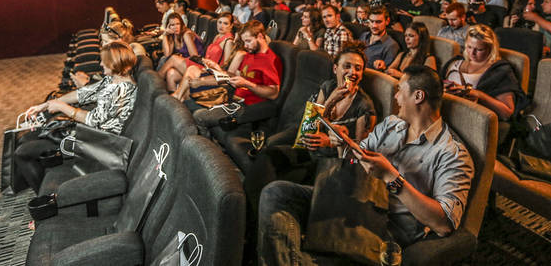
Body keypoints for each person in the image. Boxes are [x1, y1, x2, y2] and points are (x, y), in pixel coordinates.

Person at [258, 66, 474, 260]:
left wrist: (391, 177)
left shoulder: (452, 153)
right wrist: (345, 144)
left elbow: (444, 224)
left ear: (418, 96)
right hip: (355, 197)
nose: (396, 97)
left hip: (388, 225)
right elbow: (354, 161)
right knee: (277, 192)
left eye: (400, 90)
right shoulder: (391, 124)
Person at [244, 41, 377, 216]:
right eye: (347, 66)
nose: (352, 72)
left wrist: (330, 141)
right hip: (309, 151)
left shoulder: (364, 106)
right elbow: (308, 127)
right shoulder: (328, 87)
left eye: (358, 68)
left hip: (329, 165)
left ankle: (253, 222)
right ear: (335, 69)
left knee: (273, 181)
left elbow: (357, 158)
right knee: (266, 158)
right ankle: (248, 217)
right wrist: (330, 101)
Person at [15, 41, 138, 192]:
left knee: (23, 153)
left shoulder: (122, 90)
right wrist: (47, 105)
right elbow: (82, 94)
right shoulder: (113, 80)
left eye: (104, 61)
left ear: (115, 63)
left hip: (97, 143)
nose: (100, 63)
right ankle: (46, 193)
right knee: (26, 141)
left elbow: (92, 120)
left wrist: (62, 107)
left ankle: (48, 200)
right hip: (90, 134)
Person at [192, 20, 282, 135]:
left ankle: (204, 149)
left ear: (260, 36)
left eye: (248, 41)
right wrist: (216, 68)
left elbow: (274, 93)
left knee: (198, 117)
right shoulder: (250, 53)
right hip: (233, 96)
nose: (245, 45)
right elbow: (236, 76)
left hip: (248, 106)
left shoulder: (270, 60)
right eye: (244, 42)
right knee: (191, 104)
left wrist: (246, 84)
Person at [440, 24, 526, 123]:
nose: (472, 53)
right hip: (444, 111)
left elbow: (507, 112)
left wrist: (477, 94)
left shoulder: (499, 71)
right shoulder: (454, 62)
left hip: (471, 120)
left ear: (490, 49)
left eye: (479, 49)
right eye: (469, 47)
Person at [170, 13, 238, 101]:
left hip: (214, 73)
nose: (221, 26)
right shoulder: (217, 36)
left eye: (225, 23)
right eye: (219, 22)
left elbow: (226, 67)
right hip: (206, 67)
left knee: (190, 68)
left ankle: (176, 97)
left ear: (231, 26)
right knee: (171, 73)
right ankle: (174, 101)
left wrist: (212, 67)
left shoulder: (228, 42)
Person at [158, 13, 203, 91]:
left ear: (182, 24)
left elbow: (194, 56)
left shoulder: (186, 34)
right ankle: (173, 101)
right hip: (186, 66)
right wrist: (165, 35)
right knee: (170, 73)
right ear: (168, 26)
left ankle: (155, 83)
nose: (175, 27)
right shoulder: (173, 35)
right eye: (172, 25)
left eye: (177, 24)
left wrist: (180, 59)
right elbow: (167, 54)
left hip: (197, 66)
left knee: (174, 58)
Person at [358, 5, 400, 71]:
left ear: (387, 21)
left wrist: (383, 67)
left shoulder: (391, 45)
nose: (374, 26)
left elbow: (387, 74)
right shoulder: (364, 36)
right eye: (372, 21)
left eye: (378, 22)